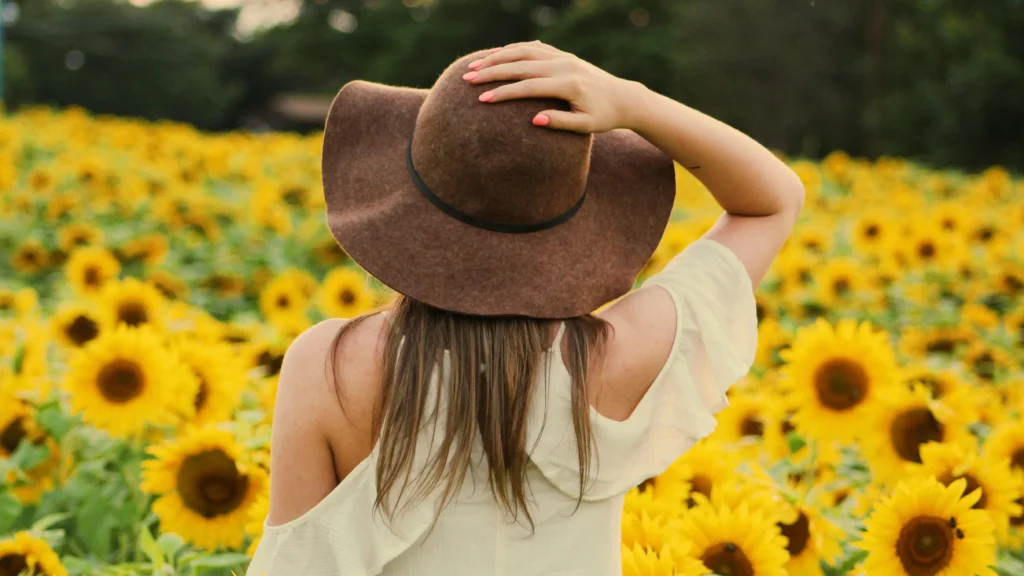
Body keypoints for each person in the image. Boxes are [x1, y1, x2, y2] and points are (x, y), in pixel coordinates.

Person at [247, 41, 804, 576]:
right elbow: (772, 201)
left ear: (405, 203)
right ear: (571, 219)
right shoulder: (625, 356)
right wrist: (634, 102)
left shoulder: (330, 366)